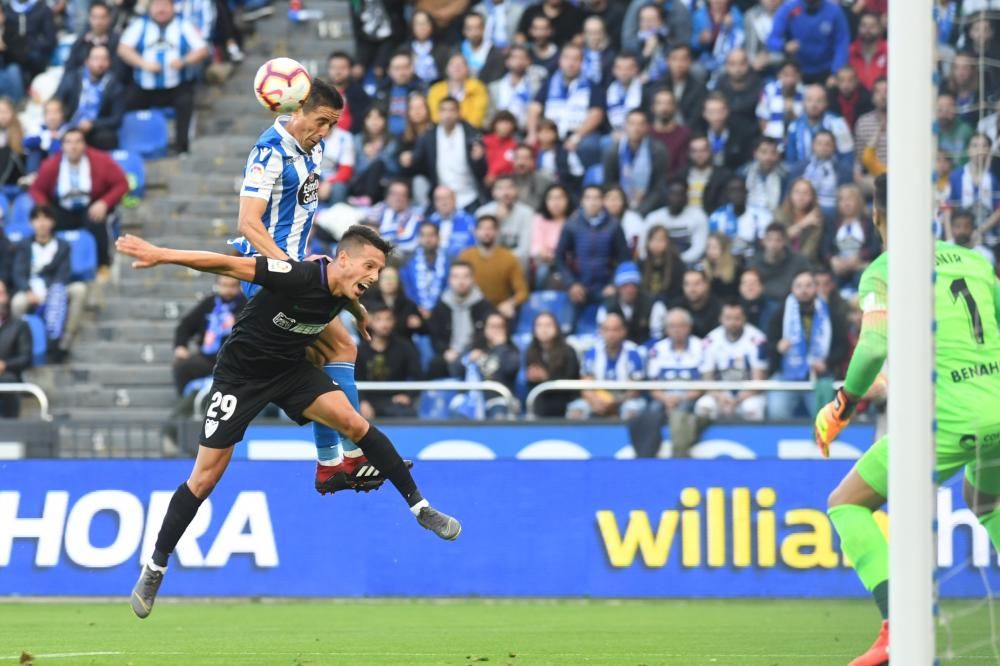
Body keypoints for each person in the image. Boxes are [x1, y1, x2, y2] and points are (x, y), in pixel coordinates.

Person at [119, 226, 461, 616]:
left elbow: (343, 298)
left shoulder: (343, 290)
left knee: (355, 423)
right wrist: (160, 253)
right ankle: (155, 568)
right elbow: (227, 264)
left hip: (290, 372)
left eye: (379, 271)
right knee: (204, 478)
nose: (374, 277)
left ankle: (421, 509)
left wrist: (360, 313)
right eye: (369, 266)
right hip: (240, 379)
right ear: (342, 260)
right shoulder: (297, 275)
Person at [814, 173, 1000, 664]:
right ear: (934, 214)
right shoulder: (977, 263)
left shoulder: (884, 269)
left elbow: (873, 344)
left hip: (943, 424)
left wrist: (842, 405)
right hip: (996, 412)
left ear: (876, 218)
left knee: (846, 503)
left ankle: (897, 627)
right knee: (984, 500)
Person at [229, 80, 383, 493]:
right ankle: (350, 455)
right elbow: (248, 223)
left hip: (294, 270)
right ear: (298, 110)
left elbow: (294, 223)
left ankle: (332, 463)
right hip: (273, 277)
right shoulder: (269, 152)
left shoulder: (311, 148)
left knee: (323, 359)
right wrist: (292, 270)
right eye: (321, 121)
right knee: (342, 348)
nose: (325, 132)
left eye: (332, 124)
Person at [117, 0, 209, 156]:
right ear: (150, 7)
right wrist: (143, 63)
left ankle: (182, 148)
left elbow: (202, 49)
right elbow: (123, 49)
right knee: (124, 104)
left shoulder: (183, 24)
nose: (161, 9)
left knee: (186, 101)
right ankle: (129, 145)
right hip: (144, 86)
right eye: (157, 5)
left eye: (165, 5)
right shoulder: (140, 24)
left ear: (172, 7)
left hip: (175, 84)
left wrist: (184, 61)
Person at [28, 128, 129, 269]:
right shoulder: (51, 164)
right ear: (62, 146)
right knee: (44, 223)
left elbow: (122, 184)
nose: (73, 146)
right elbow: (36, 189)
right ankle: (48, 267)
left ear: (84, 144)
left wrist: (104, 202)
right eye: (69, 142)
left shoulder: (101, 160)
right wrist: (45, 209)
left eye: (77, 142)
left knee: (97, 221)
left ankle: (103, 265)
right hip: (61, 208)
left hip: (90, 207)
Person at [9, 206, 86, 362]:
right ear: (31, 222)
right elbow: (18, 272)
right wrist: (28, 290)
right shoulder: (24, 245)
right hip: (31, 290)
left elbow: (64, 273)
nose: (42, 223)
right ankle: (18, 343)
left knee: (79, 289)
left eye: (46, 218)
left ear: (53, 222)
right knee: (18, 302)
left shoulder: (63, 246)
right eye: (37, 219)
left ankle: (67, 338)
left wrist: (51, 292)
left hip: (56, 289)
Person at [636, 307, 707, 457]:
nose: (677, 330)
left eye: (681, 325)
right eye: (672, 326)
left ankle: (680, 453)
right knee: (649, 412)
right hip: (664, 398)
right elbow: (653, 386)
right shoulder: (657, 350)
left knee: (683, 412)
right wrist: (666, 399)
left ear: (689, 327)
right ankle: (646, 454)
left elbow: (705, 383)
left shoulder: (701, 347)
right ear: (666, 329)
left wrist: (682, 398)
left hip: (691, 398)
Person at [765, 270, 836, 419]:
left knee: (826, 417)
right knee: (777, 411)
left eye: (808, 285)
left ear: (816, 288)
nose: (804, 290)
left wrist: (827, 363)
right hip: (786, 375)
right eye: (799, 286)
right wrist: (778, 347)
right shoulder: (780, 313)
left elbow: (841, 346)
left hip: (819, 376)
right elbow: (768, 345)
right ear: (792, 289)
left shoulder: (830, 312)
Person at [527, 43, 606, 168]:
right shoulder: (549, 83)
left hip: (578, 133)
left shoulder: (591, 86)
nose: (571, 63)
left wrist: (577, 136)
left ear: (582, 62)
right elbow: (534, 107)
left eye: (576, 59)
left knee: (590, 145)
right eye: (567, 58)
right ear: (560, 60)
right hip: (550, 133)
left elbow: (596, 114)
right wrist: (532, 133)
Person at [555, 185, 630, 310]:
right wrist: (571, 283)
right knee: (567, 326)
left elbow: (624, 258)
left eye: (597, 198)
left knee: (614, 321)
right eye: (588, 198)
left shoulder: (614, 225)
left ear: (603, 201)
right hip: (579, 287)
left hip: (606, 288)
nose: (593, 203)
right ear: (582, 201)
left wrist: (613, 284)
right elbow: (559, 257)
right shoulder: (571, 225)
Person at [406, 97, 487, 212]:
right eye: (444, 110)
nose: (448, 114)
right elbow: (418, 166)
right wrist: (409, 160)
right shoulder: (429, 137)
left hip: (470, 196)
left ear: (459, 113)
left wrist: (479, 160)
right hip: (441, 197)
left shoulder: (472, 134)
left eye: (452, 110)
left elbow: (482, 171)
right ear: (438, 113)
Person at [171, 274, 246, 396]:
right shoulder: (209, 303)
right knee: (181, 367)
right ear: (217, 285)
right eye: (224, 285)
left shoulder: (246, 305)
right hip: (207, 359)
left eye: (232, 286)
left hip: (233, 361)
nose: (228, 290)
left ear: (239, 286)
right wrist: (180, 346)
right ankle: (186, 406)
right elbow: (185, 325)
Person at [694, 301, 767, 422]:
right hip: (719, 394)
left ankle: (752, 440)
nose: (732, 322)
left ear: (744, 318)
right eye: (728, 318)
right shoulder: (710, 340)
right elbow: (706, 378)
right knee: (704, 406)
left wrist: (739, 399)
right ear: (720, 319)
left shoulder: (757, 339)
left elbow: (759, 379)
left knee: (752, 408)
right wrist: (720, 397)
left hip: (748, 394)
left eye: (737, 318)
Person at [567, 312, 646, 420]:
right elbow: (586, 385)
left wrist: (615, 401)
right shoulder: (592, 353)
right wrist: (595, 401)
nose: (611, 334)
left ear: (623, 331)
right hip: (598, 398)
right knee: (576, 411)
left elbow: (635, 390)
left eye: (615, 329)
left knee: (631, 411)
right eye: (607, 329)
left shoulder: (633, 353)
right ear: (601, 332)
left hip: (624, 399)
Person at [426, 261, 496, 378]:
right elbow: (435, 336)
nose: (461, 281)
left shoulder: (485, 305)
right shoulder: (441, 306)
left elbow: (490, 332)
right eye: (456, 276)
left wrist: (479, 349)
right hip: (450, 355)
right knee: (434, 366)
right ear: (449, 280)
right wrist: (445, 351)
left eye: (465, 276)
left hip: (477, 354)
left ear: (473, 279)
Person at [356, 304, 422, 419]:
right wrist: (362, 401)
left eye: (388, 319)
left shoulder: (405, 347)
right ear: (370, 322)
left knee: (407, 414)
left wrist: (407, 395)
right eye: (379, 319)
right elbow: (353, 380)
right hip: (369, 401)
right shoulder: (359, 350)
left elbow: (417, 375)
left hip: (396, 401)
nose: (384, 324)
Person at [54, 45, 126, 151]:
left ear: (109, 62)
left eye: (104, 59)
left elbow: (116, 119)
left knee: (107, 138)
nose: (100, 63)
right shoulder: (72, 78)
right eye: (96, 58)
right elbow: (57, 102)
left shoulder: (115, 86)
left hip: (95, 131)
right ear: (87, 61)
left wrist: (93, 124)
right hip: (70, 126)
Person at [456, 215, 528, 320]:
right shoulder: (465, 256)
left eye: (490, 228)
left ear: (497, 232)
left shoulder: (509, 257)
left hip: (499, 310)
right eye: (482, 228)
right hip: (471, 309)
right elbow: (456, 285)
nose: (486, 233)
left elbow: (522, 292)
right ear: (475, 232)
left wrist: (510, 303)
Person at [602, 109, 670, 216]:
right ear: (626, 126)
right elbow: (609, 185)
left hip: (650, 208)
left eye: (640, 124)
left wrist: (641, 211)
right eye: (632, 124)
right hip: (619, 207)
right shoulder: (613, 151)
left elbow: (658, 188)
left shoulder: (657, 151)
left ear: (647, 127)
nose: (636, 128)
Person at [767, 0, 849, 85]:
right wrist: (784, 46)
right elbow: (772, 39)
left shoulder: (834, 11)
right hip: (797, 72)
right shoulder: (788, 8)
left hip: (826, 70)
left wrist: (836, 73)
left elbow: (842, 43)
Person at [821, 184, 881, 294]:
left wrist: (859, 257)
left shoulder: (868, 223)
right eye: (842, 200)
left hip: (862, 266)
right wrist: (832, 260)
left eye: (850, 199)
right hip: (838, 267)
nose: (846, 203)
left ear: (858, 201)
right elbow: (825, 248)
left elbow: (875, 246)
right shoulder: (832, 223)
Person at [949, 133, 1000, 255]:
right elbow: (948, 209)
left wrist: (979, 231)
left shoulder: (995, 176)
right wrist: (951, 239)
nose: (979, 150)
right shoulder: (957, 176)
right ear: (968, 150)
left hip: (990, 240)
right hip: (961, 239)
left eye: (984, 146)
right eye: (975, 146)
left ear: (989, 150)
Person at [784, 85, 855, 168]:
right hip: (802, 175)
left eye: (819, 100)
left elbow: (847, 155)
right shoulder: (794, 126)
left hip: (834, 174)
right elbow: (791, 159)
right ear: (803, 103)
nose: (814, 105)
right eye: (809, 100)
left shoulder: (838, 123)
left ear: (826, 103)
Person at [524, 311, 579, 417]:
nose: (544, 330)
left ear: (556, 327)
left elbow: (571, 381)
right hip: (542, 401)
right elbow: (531, 385)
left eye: (548, 325)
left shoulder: (568, 351)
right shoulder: (530, 351)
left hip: (566, 400)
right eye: (539, 325)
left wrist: (546, 377)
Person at [643, 179, 708, 267]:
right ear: (667, 196)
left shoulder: (698, 216)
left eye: (680, 195)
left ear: (686, 197)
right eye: (673, 194)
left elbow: (699, 248)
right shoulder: (654, 218)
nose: (676, 198)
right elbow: (645, 246)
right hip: (659, 263)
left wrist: (677, 262)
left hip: (689, 264)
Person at [789, 130, 853, 216]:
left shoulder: (844, 170)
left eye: (827, 144)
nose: (823, 147)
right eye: (819, 144)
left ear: (834, 147)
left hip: (832, 210)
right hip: (804, 208)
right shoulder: (800, 167)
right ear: (813, 146)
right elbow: (790, 193)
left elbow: (848, 196)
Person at [475, 176, 535, 267]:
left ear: (516, 191)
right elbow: (483, 248)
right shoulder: (482, 213)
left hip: (517, 266)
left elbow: (525, 251)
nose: (505, 193)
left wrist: (502, 261)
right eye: (500, 188)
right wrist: (497, 221)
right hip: (489, 265)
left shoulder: (527, 213)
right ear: (493, 192)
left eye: (509, 187)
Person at [707, 176, 772, 259]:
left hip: (754, 260)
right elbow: (714, 245)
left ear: (746, 192)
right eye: (733, 191)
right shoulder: (717, 217)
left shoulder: (762, 215)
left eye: (740, 190)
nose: (737, 194)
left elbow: (766, 244)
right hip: (725, 260)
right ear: (727, 194)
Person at [748, 222, 814, 304]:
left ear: (785, 241)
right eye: (769, 240)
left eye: (778, 240)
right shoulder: (754, 263)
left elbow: (810, 283)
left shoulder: (799, 261)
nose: (773, 244)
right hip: (762, 305)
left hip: (792, 303)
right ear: (764, 241)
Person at [2, 0, 55, 93]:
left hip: (35, 56)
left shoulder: (42, 9)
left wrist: (29, 46)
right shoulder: (7, 9)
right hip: (11, 55)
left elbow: (50, 39)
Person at [596, 261, 655, 345]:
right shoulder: (606, 307)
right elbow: (601, 336)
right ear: (618, 287)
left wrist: (642, 350)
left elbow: (656, 336)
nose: (629, 290)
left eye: (632, 285)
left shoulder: (652, 305)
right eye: (624, 286)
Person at [468, 312, 520, 403]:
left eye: (500, 327)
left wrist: (500, 346)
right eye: (492, 326)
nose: (496, 330)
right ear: (485, 328)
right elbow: (455, 370)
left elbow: (510, 369)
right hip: (476, 401)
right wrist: (469, 359)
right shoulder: (476, 347)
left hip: (501, 400)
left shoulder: (510, 350)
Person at [365, 179, 424, 259]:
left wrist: (381, 234)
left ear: (408, 198)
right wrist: (395, 232)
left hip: (400, 259)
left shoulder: (415, 216)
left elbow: (410, 242)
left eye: (402, 195)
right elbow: (367, 231)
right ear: (387, 196)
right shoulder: (379, 209)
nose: (398, 198)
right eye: (394, 194)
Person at [400, 222, 450, 316]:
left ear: (439, 237)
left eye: (431, 235)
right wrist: (418, 308)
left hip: (443, 313)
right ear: (418, 238)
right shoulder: (407, 261)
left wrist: (435, 308)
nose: (427, 239)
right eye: (423, 235)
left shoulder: (449, 260)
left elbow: (449, 288)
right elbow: (407, 289)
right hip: (415, 313)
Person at [486, 45, 543, 127]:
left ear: (529, 62)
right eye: (515, 57)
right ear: (507, 61)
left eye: (523, 58)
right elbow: (489, 117)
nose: (519, 61)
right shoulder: (494, 87)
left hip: (524, 131)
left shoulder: (536, 86)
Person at [363, 265, 423, 340]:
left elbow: (424, 330)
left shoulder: (408, 304)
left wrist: (419, 324)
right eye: (385, 278)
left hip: (402, 345)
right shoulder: (368, 303)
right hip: (374, 345)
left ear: (398, 281)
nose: (389, 281)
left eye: (392, 278)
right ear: (379, 281)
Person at [775, 177, 826, 264]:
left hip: (806, 264)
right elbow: (778, 239)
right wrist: (804, 223)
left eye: (806, 193)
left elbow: (810, 250)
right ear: (790, 194)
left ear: (812, 197)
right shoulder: (780, 213)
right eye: (797, 192)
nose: (801, 197)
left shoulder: (816, 218)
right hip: (781, 262)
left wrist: (796, 265)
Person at [0, 280, 31, 418]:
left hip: (8, 378)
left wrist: (5, 365)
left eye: (2, 294)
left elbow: (26, 358)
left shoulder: (19, 326)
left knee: (8, 382)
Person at [530, 183, 571, 289]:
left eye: (559, 198)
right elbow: (535, 247)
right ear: (545, 201)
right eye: (551, 198)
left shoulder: (574, 220)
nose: (556, 202)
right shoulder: (539, 219)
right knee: (542, 272)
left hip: (570, 263)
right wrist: (542, 252)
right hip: (547, 263)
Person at [65, 1, 121, 75]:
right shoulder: (80, 43)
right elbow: (69, 70)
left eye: (102, 17)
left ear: (109, 19)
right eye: (95, 17)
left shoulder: (117, 44)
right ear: (89, 18)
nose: (98, 22)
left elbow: (119, 73)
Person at [756, 60, 805, 142]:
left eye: (793, 75)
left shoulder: (805, 93)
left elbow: (805, 123)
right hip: (773, 142)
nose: (789, 79)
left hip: (797, 142)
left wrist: (792, 114)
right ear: (779, 75)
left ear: (799, 76)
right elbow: (762, 118)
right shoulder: (769, 90)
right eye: (786, 75)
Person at [681, 135, 732, 215]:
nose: (699, 155)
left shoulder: (723, 176)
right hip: (685, 219)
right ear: (689, 153)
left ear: (710, 151)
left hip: (711, 218)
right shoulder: (681, 175)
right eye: (694, 151)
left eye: (703, 150)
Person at [640, 226, 686, 312]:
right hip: (646, 307)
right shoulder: (642, 264)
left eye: (660, 240)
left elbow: (678, 293)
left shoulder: (677, 265)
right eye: (653, 240)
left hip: (670, 306)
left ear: (668, 243)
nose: (656, 244)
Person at [648, 88, 691, 179]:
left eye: (668, 103)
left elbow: (683, 167)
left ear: (675, 107)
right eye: (660, 103)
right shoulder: (645, 133)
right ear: (652, 107)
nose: (664, 108)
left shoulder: (685, 134)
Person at [713, 49, 763, 126]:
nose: (737, 68)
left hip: (752, 129)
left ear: (748, 64)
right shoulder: (720, 84)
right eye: (732, 64)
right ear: (726, 65)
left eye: (742, 63)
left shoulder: (758, 84)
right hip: (726, 128)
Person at [326, 51, 371, 134]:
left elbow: (363, 118)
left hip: (353, 136)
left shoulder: (358, 92)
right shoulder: (322, 93)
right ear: (328, 69)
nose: (338, 72)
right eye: (334, 67)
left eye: (342, 68)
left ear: (351, 70)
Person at [426, 185, 476, 259]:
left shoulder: (469, 221)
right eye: (439, 199)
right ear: (434, 202)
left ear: (454, 199)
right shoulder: (428, 222)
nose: (443, 202)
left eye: (447, 198)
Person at [743, 137, 788, 217]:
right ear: (755, 154)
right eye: (764, 152)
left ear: (778, 155)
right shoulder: (744, 173)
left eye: (773, 153)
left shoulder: (785, 177)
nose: (768, 157)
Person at [673, 269, 723, 339]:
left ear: (706, 285)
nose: (692, 289)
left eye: (696, 284)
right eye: (687, 284)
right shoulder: (676, 307)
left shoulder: (719, 308)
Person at [407, 10, 449, 88]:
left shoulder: (443, 49)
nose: (422, 27)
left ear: (431, 26)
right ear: (412, 27)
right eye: (418, 24)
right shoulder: (405, 50)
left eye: (425, 23)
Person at [516, 0, 585, 48]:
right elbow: (520, 37)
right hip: (532, 58)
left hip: (564, 60)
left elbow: (579, 39)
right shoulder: (531, 11)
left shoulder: (575, 13)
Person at [460, 12, 505, 84]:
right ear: (464, 31)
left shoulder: (495, 54)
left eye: (477, 28)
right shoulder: (457, 51)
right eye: (469, 28)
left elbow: (495, 81)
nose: (474, 33)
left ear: (483, 29)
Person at [848, 11, 887, 91]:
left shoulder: (888, 50)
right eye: (864, 25)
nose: (867, 29)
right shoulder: (850, 51)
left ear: (880, 29)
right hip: (859, 99)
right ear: (858, 28)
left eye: (872, 26)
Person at [826, 66, 871, 131]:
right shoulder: (830, 99)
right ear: (836, 82)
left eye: (850, 81)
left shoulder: (867, 99)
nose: (846, 85)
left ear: (857, 81)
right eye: (841, 81)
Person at [511, 143, 553, 210]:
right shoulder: (508, 181)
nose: (521, 162)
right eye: (517, 158)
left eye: (525, 158)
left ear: (533, 161)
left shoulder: (545, 181)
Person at [483, 111, 518, 188]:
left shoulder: (515, 145)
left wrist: (495, 175)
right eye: (502, 122)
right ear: (495, 124)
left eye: (508, 123)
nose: (505, 126)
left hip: (507, 184)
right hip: (484, 183)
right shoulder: (484, 141)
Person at [702, 232, 740, 301]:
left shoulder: (736, 269)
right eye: (708, 247)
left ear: (724, 249)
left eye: (715, 247)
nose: (711, 251)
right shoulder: (703, 269)